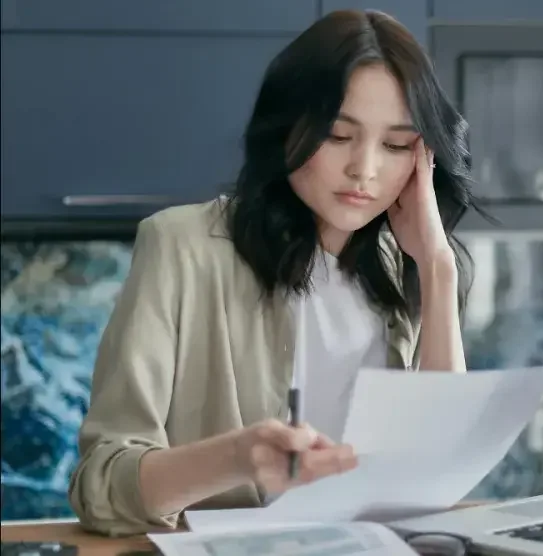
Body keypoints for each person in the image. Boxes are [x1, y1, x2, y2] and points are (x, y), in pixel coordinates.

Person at [68, 9, 482, 536]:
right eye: (337, 135)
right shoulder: (183, 246)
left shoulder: (405, 266)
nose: (366, 169)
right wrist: (238, 456)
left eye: (396, 145)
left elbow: (441, 474)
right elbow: (100, 487)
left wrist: (438, 267)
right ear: (287, 127)